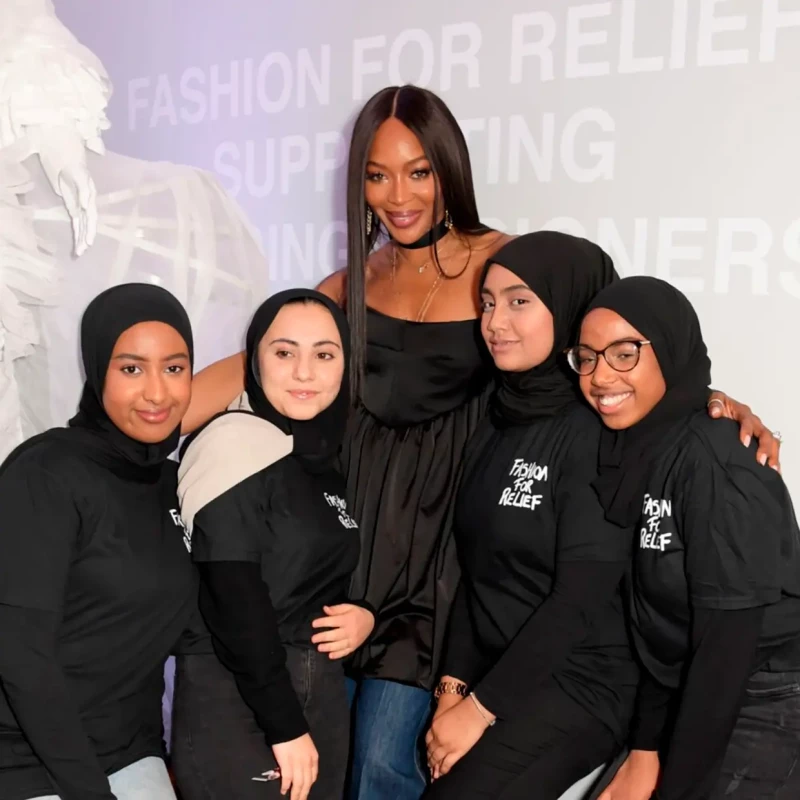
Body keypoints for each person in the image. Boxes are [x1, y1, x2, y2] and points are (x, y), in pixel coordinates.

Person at [180, 85, 780, 800]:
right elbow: (257, 368)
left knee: (384, 766)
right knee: (328, 770)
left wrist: (710, 401)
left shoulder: (504, 264)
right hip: (355, 551)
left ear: (450, 169)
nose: (397, 194)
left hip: (441, 568)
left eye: (419, 171)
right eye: (377, 174)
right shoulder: (347, 287)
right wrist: (136, 409)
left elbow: (625, 344)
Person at [422, 232, 637, 799]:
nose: (495, 321)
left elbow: (578, 602)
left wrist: (478, 711)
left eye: (519, 301)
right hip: (500, 679)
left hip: (580, 685)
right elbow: (478, 572)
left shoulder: (598, 430)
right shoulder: (496, 417)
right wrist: (451, 689)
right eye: (488, 302)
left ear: (569, 308)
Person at [570, 276, 800, 800]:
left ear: (671, 352)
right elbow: (661, 625)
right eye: (586, 357)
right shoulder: (637, 449)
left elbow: (724, 647)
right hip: (690, 690)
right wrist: (646, 749)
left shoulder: (716, 462)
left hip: (771, 693)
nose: (600, 375)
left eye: (624, 353)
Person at [170, 289, 374, 800]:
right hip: (239, 702)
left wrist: (363, 614)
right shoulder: (232, 444)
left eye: (324, 354)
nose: (305, 372)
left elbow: (308, 579)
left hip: (318, 695)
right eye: (284, 353)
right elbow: (234, 599)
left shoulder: (319, 458)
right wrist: (284, 727)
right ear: (255, 360)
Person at [0, 283, 196, 800]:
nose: (157, 392)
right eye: (131, 368)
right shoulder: (45, 472)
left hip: (130, 752)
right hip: (23, 759)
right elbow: (19, 654)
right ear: (96, 369)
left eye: (175, 368)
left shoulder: (172, 483)